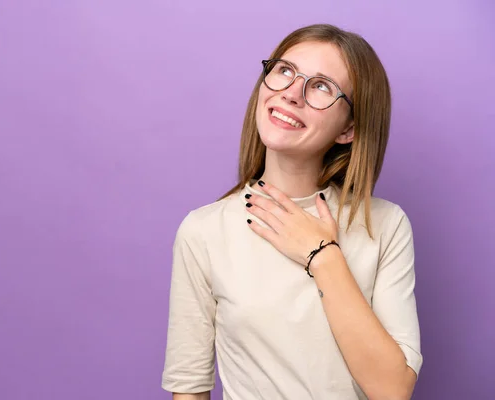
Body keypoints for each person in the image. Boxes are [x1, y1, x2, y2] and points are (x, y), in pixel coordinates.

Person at [161, 23, 423, 400]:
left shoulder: (384, 225)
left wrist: (323, 256)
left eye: (321, 86)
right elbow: (189, 388)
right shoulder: (203, 231)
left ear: (349, 128)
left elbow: (393, 390)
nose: (291, 94)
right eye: (285, 71)